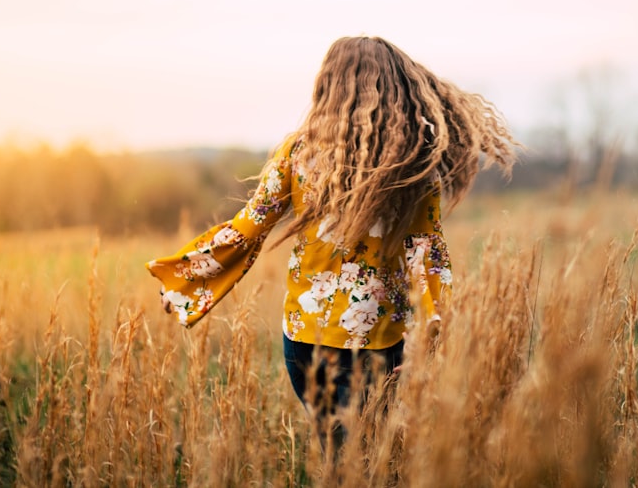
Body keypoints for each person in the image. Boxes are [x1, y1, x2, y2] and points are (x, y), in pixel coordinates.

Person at [146, 35, 517, 449]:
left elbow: (247, 227)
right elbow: (425, 252)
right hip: (375, 342)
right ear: (398, 88)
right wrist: (429, 330)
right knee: (366, 465)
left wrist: (185, 281)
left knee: (342, 458)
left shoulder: (297, 153)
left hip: (303, 339)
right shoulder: (412, 161)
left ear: (327, 85)